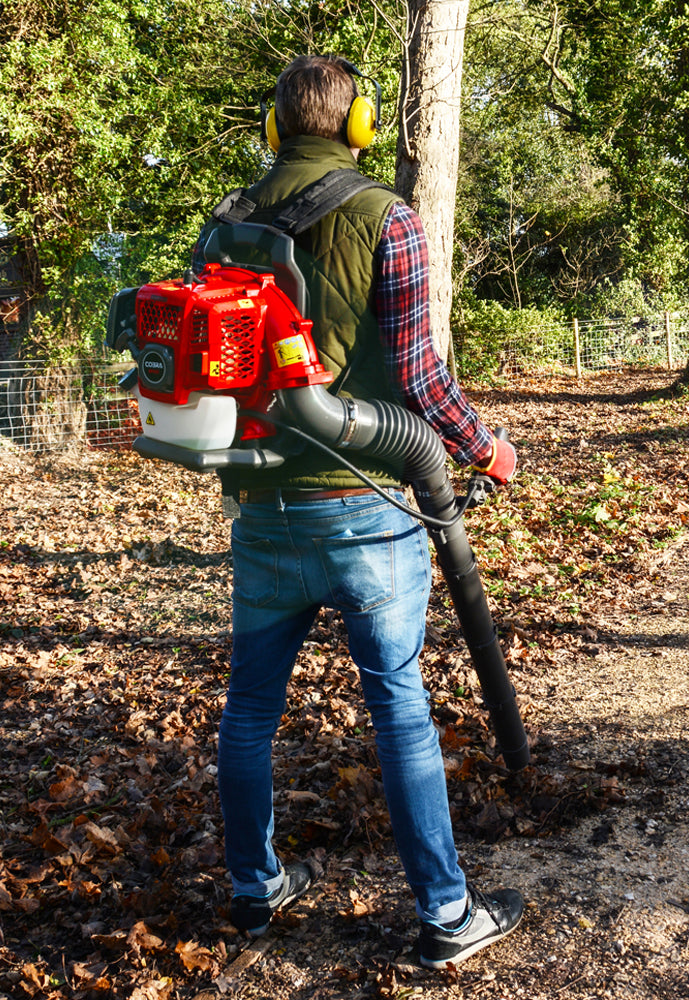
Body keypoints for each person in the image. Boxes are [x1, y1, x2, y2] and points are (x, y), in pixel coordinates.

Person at [192, 53, 523, 970]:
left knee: (251, 710)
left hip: (263, 507)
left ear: (274, 127)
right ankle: (447, 914)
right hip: (367, 506)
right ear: (360, 125)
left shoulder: (226, 225)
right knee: (399, 709)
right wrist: (483, 448)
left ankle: (256, 888)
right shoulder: (390, 217)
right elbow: (420, 378)